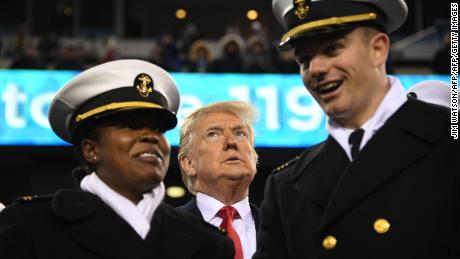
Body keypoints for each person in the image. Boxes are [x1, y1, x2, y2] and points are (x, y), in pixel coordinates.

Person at [255, 0, 460, 258]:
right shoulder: (285, 186)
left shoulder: (449, 144)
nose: (315, 69)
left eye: (332, 49)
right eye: (304, 59)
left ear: (378, 49)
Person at [0, 59, 234, 259]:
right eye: (131, 126)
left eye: (157, 129)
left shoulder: (209, 243)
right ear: (91, 150)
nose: (151, 137)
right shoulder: (29, 225)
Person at [176, 101, 259, 259]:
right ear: (189, 163)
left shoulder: (285, 230)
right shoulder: (165, 230)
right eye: (213, 134)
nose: (231, 142)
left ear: (253, 157)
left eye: (240, 133)